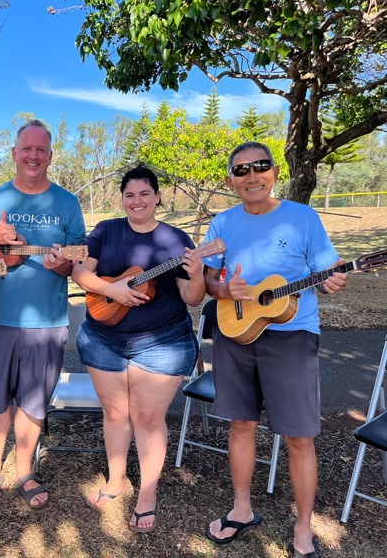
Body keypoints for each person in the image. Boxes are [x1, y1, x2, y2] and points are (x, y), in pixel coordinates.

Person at [201, 142, 347, 557]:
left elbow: (325, 270)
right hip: (236, 332)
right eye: (242, 171)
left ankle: (303, 529)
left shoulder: (302, 217)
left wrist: (330, 279)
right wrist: (221, 288)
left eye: (261, 167)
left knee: (299, 437)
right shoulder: (222, 222)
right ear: (231, 180)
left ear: (274, 172)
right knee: (241, 425)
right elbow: (209, 281)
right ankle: (242, 509)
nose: (252, 177)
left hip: (292, 335)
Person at [0, 119, 85, 508]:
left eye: (40, 150)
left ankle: (25, 470)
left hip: (47, 323)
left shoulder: (67, 203)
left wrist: (63, 265)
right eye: (26, 149)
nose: (33, 156)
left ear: (50, 155)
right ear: (14, 154)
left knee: (33, 402)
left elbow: (80, 255)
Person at [71, 164, 204, 531]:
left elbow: (192, 298)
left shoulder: (176, 241)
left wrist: (195, 274)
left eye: (145, 193)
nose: (137, 201)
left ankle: (147, 494)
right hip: (103, 338)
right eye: (130, 194)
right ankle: (116, 481)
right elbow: (80, 273)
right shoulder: (106, 230)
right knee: (115, 413)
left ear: (158, 197)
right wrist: (111, 289)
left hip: (162, 342)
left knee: (147, 418)